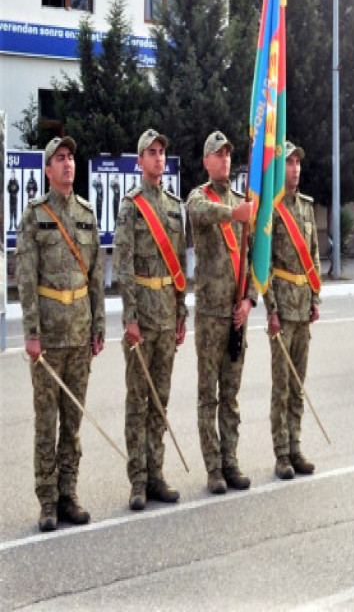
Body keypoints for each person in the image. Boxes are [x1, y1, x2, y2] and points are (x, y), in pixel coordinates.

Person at [17, 136, 105, 532]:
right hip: (49, 340)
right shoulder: (34, 215)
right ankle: (47, 501)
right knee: (45, 422)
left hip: (80, 336)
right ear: (48, 170)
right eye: (60, 158)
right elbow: (25, 278)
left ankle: (69, 494)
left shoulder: (87, 213)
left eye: (71, 157)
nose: (68, 163)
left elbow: (97, 277)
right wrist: (32, 334)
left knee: (72, 424)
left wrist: (99, 326)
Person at [113, 129, 187, 510]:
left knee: (160, 401)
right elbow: (122, 266)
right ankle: (137, 481)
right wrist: (130, 318)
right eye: (151, 153)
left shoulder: (175, 207)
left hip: (166, 315)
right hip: (141, 317)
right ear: (139, 160)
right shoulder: (130, 205)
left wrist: (181, 315)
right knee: (137, 401)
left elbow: (180, 267)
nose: (158, 158)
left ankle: (157, 475)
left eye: (161, 152)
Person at [186, 131, 257, 495]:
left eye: (228, 154)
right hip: (211, 316)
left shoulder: (244, 201)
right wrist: (235, 214)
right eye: (218, 153)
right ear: (206, 161)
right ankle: (213, 469)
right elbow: (199, 213)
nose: (225, 159)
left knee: (230, 396)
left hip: (236, 315)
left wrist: (249, 301)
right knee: (207, 395)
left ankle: (230, 461)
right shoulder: (201, 197)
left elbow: (253, 258)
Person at [264, 141, 322, 481]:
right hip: (283, 310)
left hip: (303, 307)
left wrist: (316, 298)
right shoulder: (273, 209)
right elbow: (266, 264)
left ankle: (296, 446)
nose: (296, 168)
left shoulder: (307, 208)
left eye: (298, 162)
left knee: (298, 384)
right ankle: (281, 454)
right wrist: (271, 309)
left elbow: (313, 255)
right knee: (282, 386)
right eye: (289, 162)